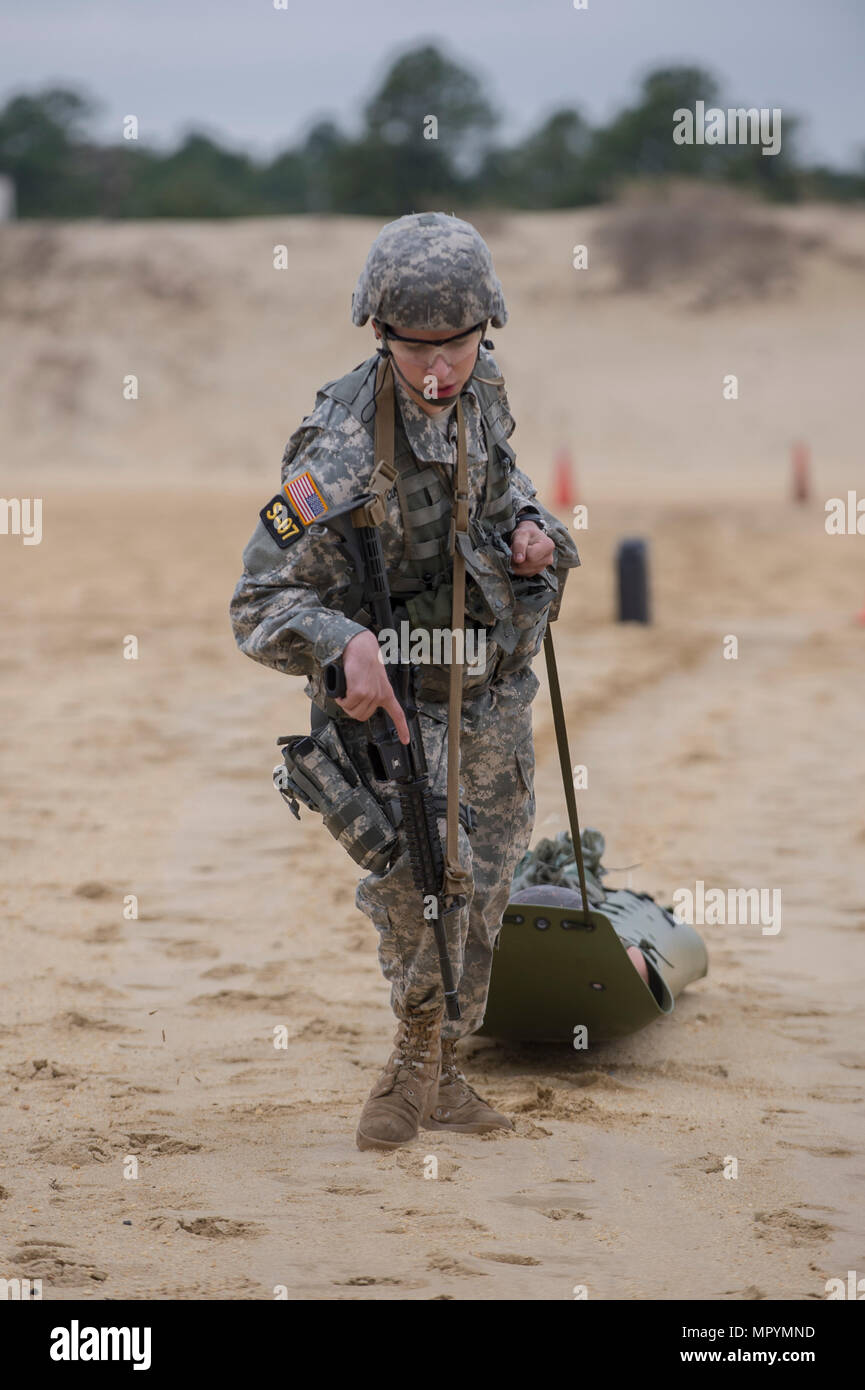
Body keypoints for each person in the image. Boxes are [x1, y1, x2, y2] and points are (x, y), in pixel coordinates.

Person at [230, 212, 580, 1150]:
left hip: (490, 696)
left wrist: (531, 534)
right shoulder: (335, 449)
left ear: (485, 330)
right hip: (392, 708)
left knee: (491, 887)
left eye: (457, 346)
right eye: (417, 347)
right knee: (431, 886)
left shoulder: (483, 394)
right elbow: (256, 600)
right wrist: (339, 640)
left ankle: (449, 1074)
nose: (438, 369)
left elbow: (502, 493)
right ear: (379, 334)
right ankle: (412, 1059)